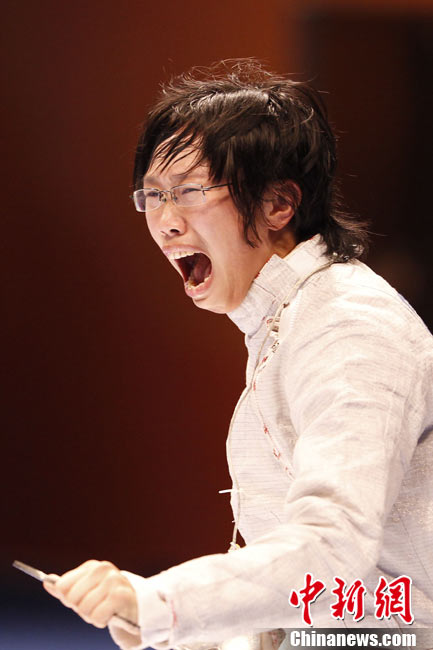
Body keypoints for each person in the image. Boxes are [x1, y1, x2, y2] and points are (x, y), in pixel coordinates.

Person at [43, 59, 433, 649]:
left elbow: (333, 552)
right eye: (154, 195)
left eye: (190, 192)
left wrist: (158, 602)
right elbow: (309, 610)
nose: (166, 222)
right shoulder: (290, 320)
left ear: (278, 204)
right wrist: (165, 621)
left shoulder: (349, 327)